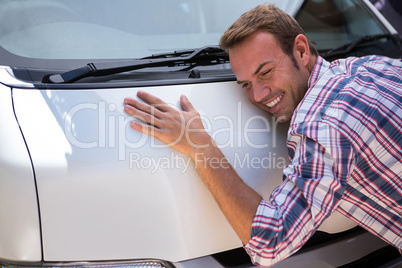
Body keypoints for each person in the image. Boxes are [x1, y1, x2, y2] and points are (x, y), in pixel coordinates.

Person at [124, 4, 402, 267]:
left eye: (266, 72)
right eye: (246, 84)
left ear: (301, 51)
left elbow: (270, 241)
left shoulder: (322, 126)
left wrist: (202, 147)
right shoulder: (372, 66)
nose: (257, 95)